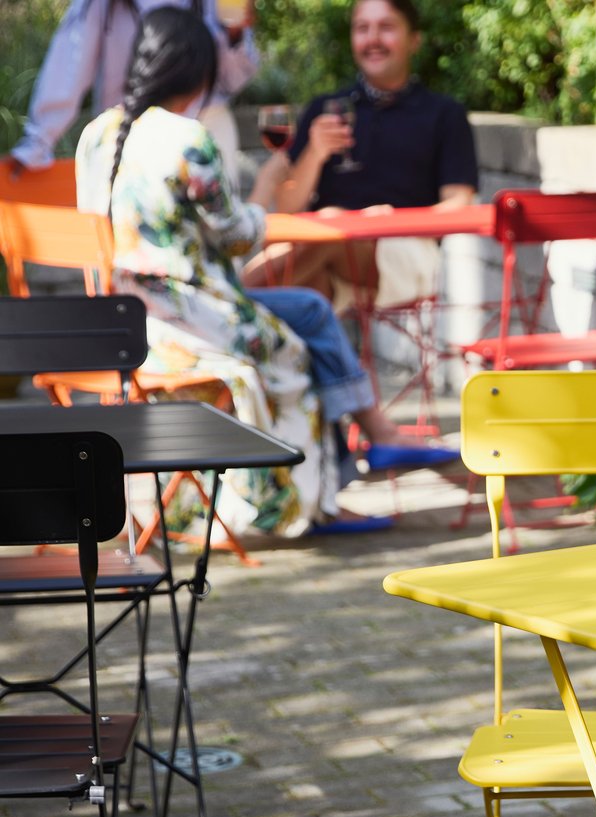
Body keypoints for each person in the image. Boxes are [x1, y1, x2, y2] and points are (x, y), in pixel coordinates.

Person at [75, 6, 400, 535]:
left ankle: (346, 460)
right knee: (297, 340)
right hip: (195, 320)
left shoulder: (95, 136)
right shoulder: (187, 139)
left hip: (126, 325)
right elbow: (236, 238)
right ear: (198, 73)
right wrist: (263, 207)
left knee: (310, 308)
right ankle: (302, 506)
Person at [241, 0, 477, 310]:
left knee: (328, 229)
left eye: (386, 27)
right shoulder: (325, 108)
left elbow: (459, 204)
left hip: (406, 251)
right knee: (306, 286)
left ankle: (228, 305)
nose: (372, 38)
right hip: (321, 251)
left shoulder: (444, 114)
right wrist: (315, 151)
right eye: (362, 28)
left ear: (414, 39)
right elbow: (288, 206)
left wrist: (394, 221)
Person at [7, 0, 258, 181]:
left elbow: (230, 80)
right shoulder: (101, 6)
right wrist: (36, 143)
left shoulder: (96, 135)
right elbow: (69, 64)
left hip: (204, 123)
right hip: (125, 135)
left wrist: (234, 35)